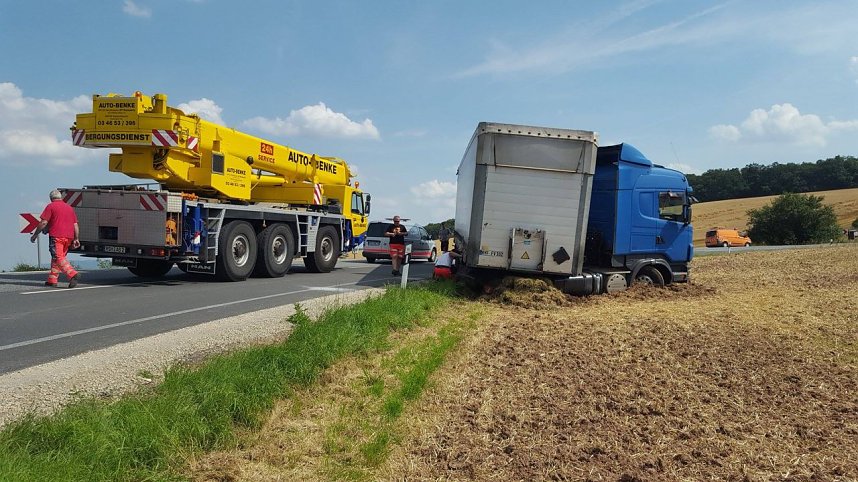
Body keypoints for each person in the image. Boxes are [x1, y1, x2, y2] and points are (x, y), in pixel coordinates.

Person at [30, 189, 81, 288]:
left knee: (58, 257)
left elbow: (44, 222)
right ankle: (52, 280)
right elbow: (75, 225)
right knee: (57, 259)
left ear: (51, 198)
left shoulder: (51, 206)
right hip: (69, 237)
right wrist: (76, 238)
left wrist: (35, 234)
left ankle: (72, 274)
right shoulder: (69, 208)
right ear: (60, 197)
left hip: (57, 236)